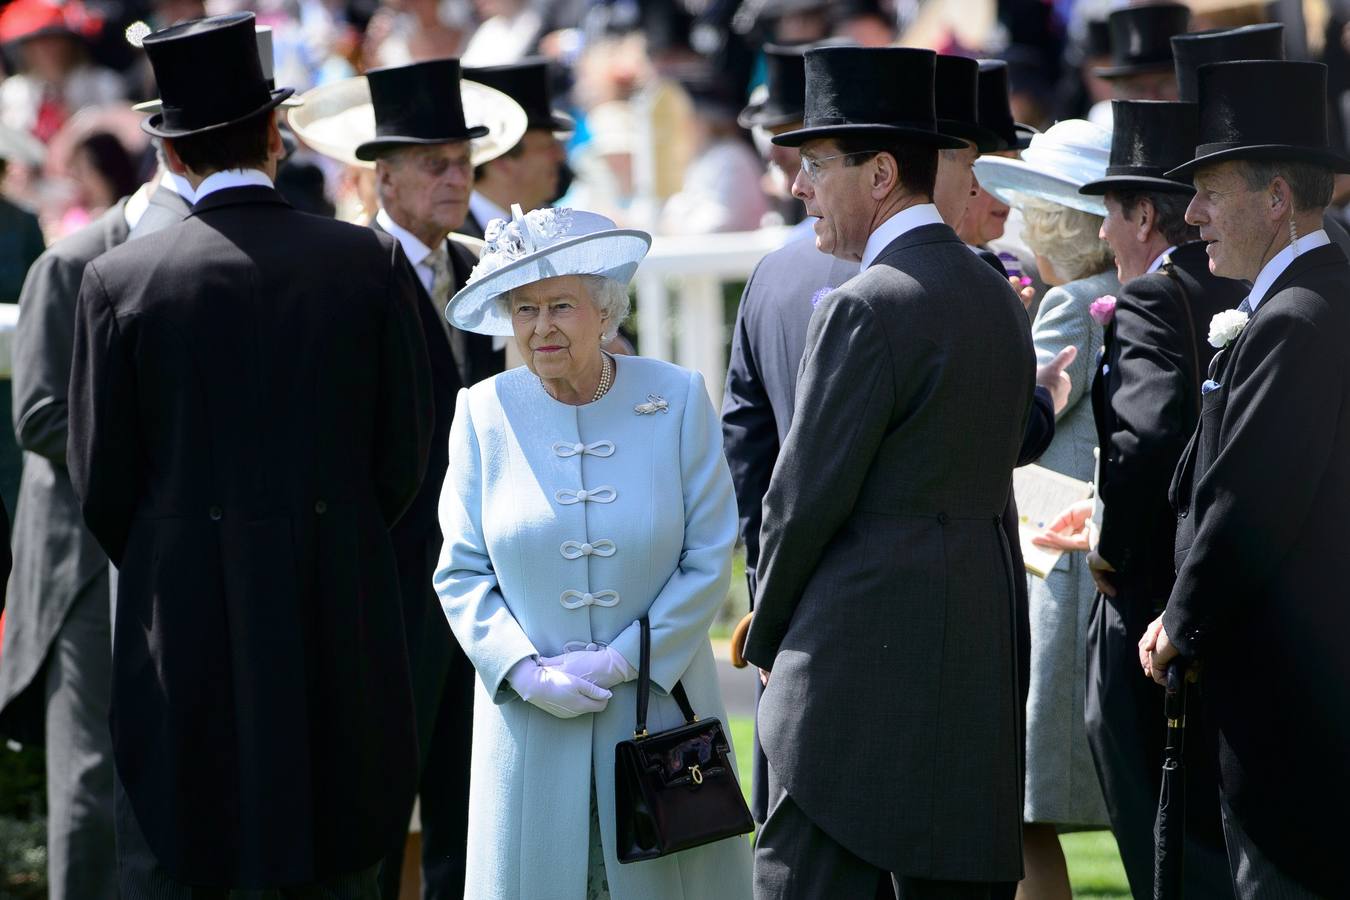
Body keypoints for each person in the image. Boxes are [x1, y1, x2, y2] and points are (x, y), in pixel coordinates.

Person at [66, 13, 431, 894]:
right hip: (338, 601)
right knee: (338, 854)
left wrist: (184, 543)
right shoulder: (370, 262)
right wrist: (329, 526)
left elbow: (102, 481)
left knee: (196, 855)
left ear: (177, 156)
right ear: (275, 136)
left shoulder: (120, 281)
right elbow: (406, 455)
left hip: (186, 618)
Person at [740, 46, 1033, 899]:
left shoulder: (863, 304)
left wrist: (767, 631)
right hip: (974, 651)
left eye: (815, 165)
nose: (798, 186)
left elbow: (802, 500)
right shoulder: (994, 293)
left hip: (849, 678)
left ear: (877, 175)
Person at [435, 204, 753, 899]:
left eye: (559, 306)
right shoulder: (481, 413)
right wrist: (520, 669)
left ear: (604, 311)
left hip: (657, 714)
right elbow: (460, 571)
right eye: (523, 309)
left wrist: (626, 658)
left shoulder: (675, 398)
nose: (540, 327)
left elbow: (709, 551)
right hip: (530, 723)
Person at [1140, 59, 1350, 898]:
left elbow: (1250, 498)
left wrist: (1180, 620)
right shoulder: (1305, 303)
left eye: (1210, 192)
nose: (1188, 217)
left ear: (1275, 200)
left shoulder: (1298, 317)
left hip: (1290, 698)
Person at [0, 137, 191, 900]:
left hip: (168, 553)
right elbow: (40, 417)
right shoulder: (69, 263)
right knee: (89, 778)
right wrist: (175, 445)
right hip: (82, 561)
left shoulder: (194, 260)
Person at [1067, 98, 1239, 899]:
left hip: (1153, 604)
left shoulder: (1150, 299)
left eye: (1110, 211)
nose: (1102, 233)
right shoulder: (1249, 282)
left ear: (1144, 213)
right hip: (1236, 588)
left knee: (1161, 827)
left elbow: (1144, 436)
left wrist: (1107, 547)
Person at [354, 56, 504, 900]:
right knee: (378, 801)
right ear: (385, 177)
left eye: (465, 162)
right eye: (435, 164)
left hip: (479, 571)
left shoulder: (483, 266)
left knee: (470, 793)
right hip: (386, 578)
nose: (457, 179)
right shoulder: (351, 271)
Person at [974, 118, 1116, 900]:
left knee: (1027, 812)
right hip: (1077, 540)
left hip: (1055, 560)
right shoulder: (1121, 292)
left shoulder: (1071, 306)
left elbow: (1021, 419)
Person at [460, 58, 571, 237]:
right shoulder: (449, 236)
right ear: (502, 160)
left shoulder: (556, 229)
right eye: (548, 147)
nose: (560, 156)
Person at [1092, 3, 1189, 105]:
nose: (1152, 98)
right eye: (1137, 88)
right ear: (1116, 93)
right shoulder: (1103, 118)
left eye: (1165, 85)